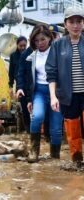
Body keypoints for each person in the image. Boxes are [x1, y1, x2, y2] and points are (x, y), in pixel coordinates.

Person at [46, 7, 84, 167]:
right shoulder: (57, 45)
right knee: (73, 129)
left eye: (79, 21)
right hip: (68, 95)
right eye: (71, 22)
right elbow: (51, 72)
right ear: (65, 24)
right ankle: (77, 162)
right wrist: (53, 96)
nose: (75, 25)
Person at [25, 24, 63, 163]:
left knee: (56, 128)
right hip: (39, 91)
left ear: (50, 38)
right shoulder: (31, 56)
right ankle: (34, 151)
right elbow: (28, 78)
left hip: (57, 92)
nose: (39, 43)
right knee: (37, 117)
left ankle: (55, 156)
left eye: (42, 39)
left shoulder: (57, 53)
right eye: (36, 40)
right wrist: (29, 99)